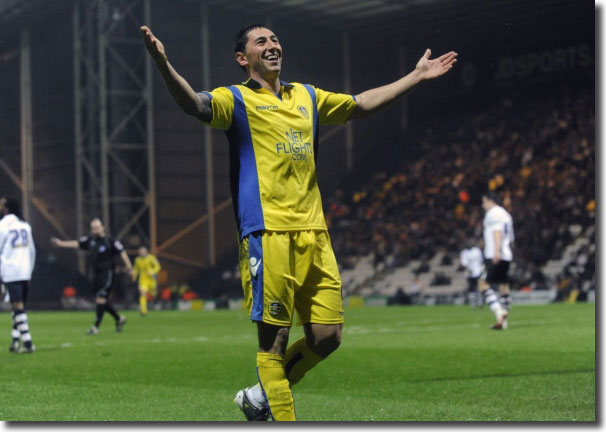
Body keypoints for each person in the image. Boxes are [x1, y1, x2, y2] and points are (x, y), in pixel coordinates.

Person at [141, 23, 457, 421]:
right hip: (267, 232)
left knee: (327, 338)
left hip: (314, 233)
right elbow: (194, 104)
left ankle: (259, 398)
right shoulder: (235, 100)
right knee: (273, 342)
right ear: (244, 59)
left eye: (274, 40)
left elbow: (360, 104)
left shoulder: (307, 95)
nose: (272, 45)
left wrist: (416, 76)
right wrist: (163, 63)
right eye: (261, 42)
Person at [51, 218, 132, 334]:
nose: (95, 230)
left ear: (103, 227)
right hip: (96, 275)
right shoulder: (91, 241)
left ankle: (95, 327)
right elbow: (76, 243)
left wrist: (129, 267)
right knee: (101, 301)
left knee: (100, 298)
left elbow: (122, 251)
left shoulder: (109, 241)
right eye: (93, 228)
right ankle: (119, 319)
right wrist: (60, 243)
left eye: (97, 227)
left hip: (108, 274)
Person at [0, 197, 36, 354]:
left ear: (6, 208)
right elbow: (32, 251)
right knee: (18, 307)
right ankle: (15, 341)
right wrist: (30, 269)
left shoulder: (2, 226)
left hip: (11, 271)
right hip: (25, 270)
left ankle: (27, 343)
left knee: (17, 307)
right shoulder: (25, 226)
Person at [479, 192, 514, 330]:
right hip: (507, 254)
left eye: (484, 202)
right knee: (503, 285)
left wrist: (496, 251)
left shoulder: (493, 213)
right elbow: (511, 238)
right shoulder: (506, 214)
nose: (483, 205)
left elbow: (497, 232)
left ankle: (498, 310)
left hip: (495, 254)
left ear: (490, 200)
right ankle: (504, 318)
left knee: (482, 285)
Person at [132, 246, 161, 316]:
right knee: (143, 293)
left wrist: (152, 271)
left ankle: (156, 303)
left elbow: (158, 266)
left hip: (151, 279)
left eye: (143, 251)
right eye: (140, 252)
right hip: (143, 280)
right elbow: (136, 269)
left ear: (146, 252)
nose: (142, 253)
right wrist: (134, 276)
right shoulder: (137, 260)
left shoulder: (151, 258)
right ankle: (143, 310)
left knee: (153, 294)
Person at [459, 240, 484, 308]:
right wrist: (467, 268)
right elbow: (463, 263)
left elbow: (481, 260)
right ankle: (473, 304)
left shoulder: (477, 250)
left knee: (479, 288)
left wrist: (481, 268)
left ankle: (480, 303)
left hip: (478, 271)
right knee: (471, 288)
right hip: (469, 273)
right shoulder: (464, 252)